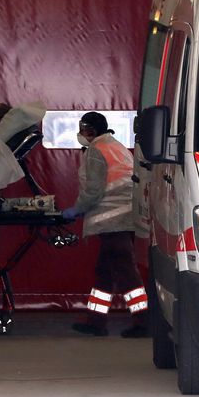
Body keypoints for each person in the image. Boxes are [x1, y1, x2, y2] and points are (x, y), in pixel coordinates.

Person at [63, 112, 148, 338]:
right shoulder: (116, 146)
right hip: (126, 217)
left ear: (90, 130)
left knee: (127, 272)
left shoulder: (95, 151)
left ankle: (143, 322)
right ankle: (96, 321)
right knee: (104, 272)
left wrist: (76, 209)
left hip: (112, 221)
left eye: (82, 129)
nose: (80, 134)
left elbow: (93, 190)